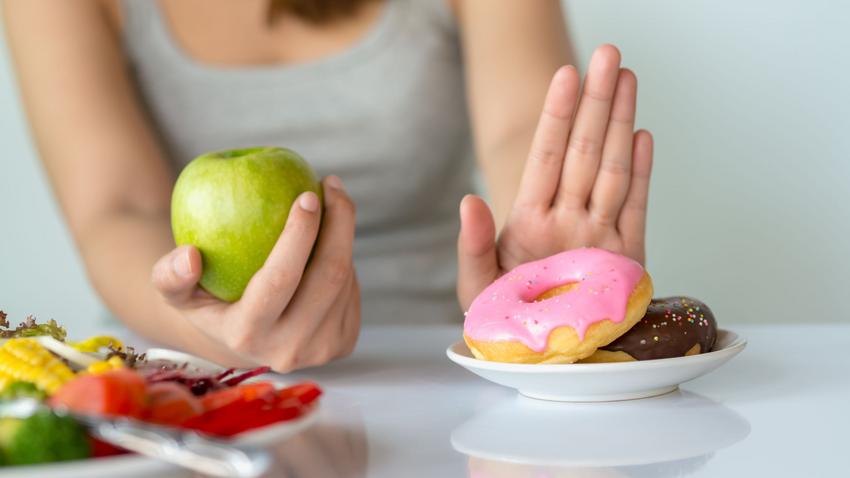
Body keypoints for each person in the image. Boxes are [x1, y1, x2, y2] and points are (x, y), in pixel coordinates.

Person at [3, 0, 652, 372]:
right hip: (187, 387)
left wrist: (541, 276)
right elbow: (115, 208)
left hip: (437, 380)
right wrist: (220, 336)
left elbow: (520, 131)